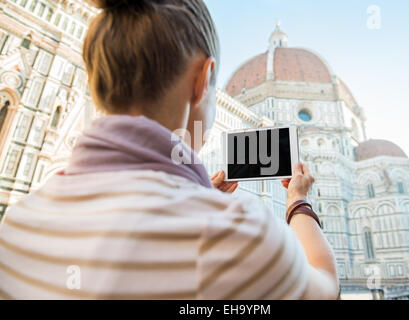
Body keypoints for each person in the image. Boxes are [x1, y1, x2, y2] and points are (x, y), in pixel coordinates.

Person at [0, 0, 338, 300]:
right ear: (201, 80)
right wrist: (298, 201)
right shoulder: (238, 235)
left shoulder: (17, 226)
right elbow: (326, 285)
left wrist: (197, 195)